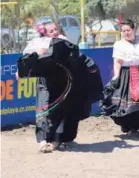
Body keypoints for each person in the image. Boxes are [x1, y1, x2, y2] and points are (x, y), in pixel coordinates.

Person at [17, 22, 103, 153]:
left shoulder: (64, 42)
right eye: (51, 31)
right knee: (44, 109)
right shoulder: (36, 43)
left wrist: (90, 67)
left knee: (63, 111)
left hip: (63, 83)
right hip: (45, 83)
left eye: (56, 29)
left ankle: (58, 140)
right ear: (44, 33)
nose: (55, 32)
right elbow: (27, 61)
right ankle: (43, 141)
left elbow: (78, 57)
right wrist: (21, 71)